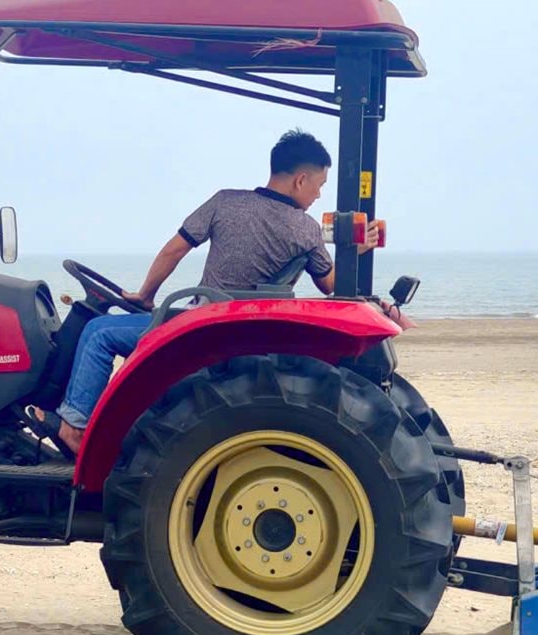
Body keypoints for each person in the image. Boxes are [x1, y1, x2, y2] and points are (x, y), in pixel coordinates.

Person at [51, 128, 343, 451]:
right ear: (301, 180)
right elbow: (330, 284)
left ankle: (73, 427)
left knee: (98, 333)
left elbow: (174, 251)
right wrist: (356, 250)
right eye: (320, 186)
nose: (318, 195)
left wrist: (146, 295)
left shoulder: (225, 202)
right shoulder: (306, 230)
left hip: (202, 326)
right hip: (236, 330)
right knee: (106, 330)